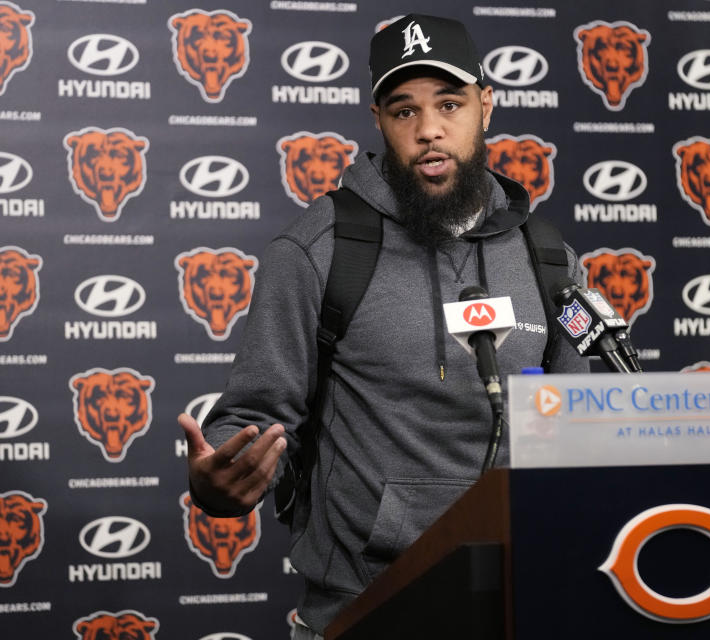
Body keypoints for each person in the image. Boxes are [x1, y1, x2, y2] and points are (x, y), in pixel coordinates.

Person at [178, 13, 588, 639]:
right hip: (368, 611)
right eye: (404, 111)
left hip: (524, 603)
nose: (429, 130)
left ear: (487, 106)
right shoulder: (321, 246)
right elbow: (255, 418)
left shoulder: (549, 256)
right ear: (378, 121)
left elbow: (588, 425)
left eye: (449, 104)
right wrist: (220, 481)